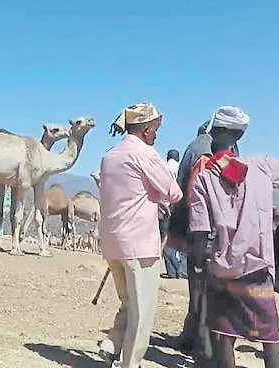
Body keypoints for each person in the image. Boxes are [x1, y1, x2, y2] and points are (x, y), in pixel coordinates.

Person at [189, 106, 279, 368]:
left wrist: (199, 265)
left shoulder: (203, 177)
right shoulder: (262, 167)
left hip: (223, 271)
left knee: (224, 336)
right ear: (239, 136)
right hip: (259, 268)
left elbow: (199, 232)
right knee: (270, 337)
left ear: (214, 132)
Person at [98, 103, 183, 368]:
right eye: (155, 129)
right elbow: (173, 192)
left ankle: (111, 344)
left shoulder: (110, 155)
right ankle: (130, 363)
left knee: (128, 300)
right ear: (146, 129)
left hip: (112, 241)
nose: (156, 134)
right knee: (142, 310)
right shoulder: (145, 154)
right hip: (139, 243)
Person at [168, 115, 243, 357]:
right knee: (209, 292)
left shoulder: (196, 148)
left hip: (202, 231)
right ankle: (201, 343)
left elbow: (182, 188)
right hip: (220, 233)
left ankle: (200, 344)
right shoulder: (227, 155)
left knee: (199, 290)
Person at [160, 149, 188, 279]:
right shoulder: (181, 167)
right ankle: (182, 270)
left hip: (164, 207)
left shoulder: (163, 168)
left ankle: (171, 270)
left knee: (166, 240)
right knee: (181, 240)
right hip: (181, 207)